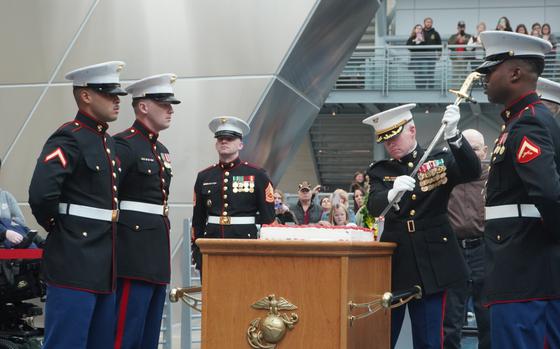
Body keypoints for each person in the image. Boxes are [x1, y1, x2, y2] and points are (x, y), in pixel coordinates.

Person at [363, 103, 481, 348]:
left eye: (395, 137)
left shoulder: (439, 159)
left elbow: (472, 171)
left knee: (430, 339)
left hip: (434, 262)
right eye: (386, 141)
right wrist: (390, 194)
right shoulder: (380, 170)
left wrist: (454, 135)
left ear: (412, 130)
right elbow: (373, 206)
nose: (391, 144)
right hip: (397, 263)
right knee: (383, 337)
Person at [28, 61, 127, 348]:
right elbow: (41, 195)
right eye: (108, 93)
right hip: (74, 260)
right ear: (85, 96)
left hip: (103, 264)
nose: (117, 100)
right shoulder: (69, 136)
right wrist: (64, 230)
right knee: (67, 342)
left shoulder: (106, 141)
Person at [474, 30, 560, 348]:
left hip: (523, 273)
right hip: (526, 270)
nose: (484, 77)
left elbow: (549, 195)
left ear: (514, 73)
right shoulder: (523, 120)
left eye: (490, 70)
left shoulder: (527, 123)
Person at [112, 74, 180, 349]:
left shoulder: (160, 149)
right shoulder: (124, 144)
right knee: (125, 335)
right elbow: (109, 195)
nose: (171, 109)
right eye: (164, 103)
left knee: (149, 337)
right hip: (133, 253)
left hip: (155, 253)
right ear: (143, 106)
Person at [191, 116, 275, 271]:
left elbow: (268, 219)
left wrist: (266, 251)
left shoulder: (257, 175)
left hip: (246, 245)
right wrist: (197, 247)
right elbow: (198, 218)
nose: (224, 142)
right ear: (216, 144)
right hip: (212, 244)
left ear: (241, 144)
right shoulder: (204, 176)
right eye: (220, 138)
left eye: (230, 138)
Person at [443, 129, 491, 349]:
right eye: (466, 148)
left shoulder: (496, 178)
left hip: (485, 250)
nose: (471, 153)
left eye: (475, 149)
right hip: (453, 253)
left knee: (487, 317)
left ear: (485, 151)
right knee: (451, 320)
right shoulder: (447, 176)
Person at [422, 17, 442, 89]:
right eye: (427, 22)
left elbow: (439, 45)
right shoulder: (420, 33)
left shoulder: (435, 33)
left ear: (432, 23)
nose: (428, 23)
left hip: (431, 57)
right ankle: (422, 88)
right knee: (423, 73)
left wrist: (439, 54)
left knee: (430, 73)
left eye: (430, 22)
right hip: (421, 57)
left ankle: (431, 88)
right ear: (424, 23)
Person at [406, 24, 426, 89]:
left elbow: (427, 47)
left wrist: (422, 41)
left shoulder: (425, 38)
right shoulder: (411, 38)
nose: (418, 30)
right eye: (417, 28)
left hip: (423, 60)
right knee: (417, 74)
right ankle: (418, 88)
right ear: (414, 30)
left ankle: (424, 88)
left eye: (420, 29)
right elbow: (408, 47)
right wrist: (415, 41)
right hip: (415, 60)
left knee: (424, 74)